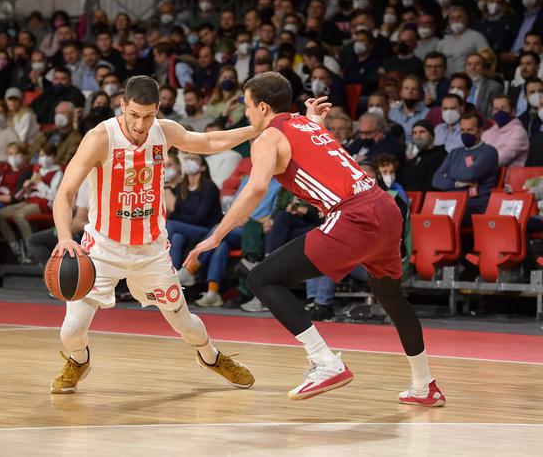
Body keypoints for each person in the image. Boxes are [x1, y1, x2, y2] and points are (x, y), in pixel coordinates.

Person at [184, 72, 445, 406]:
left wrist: (215, 236)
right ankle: (424, 385)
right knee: (390, 297)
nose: (245, 113)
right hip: (385, 207)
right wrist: (312, 120)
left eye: (247, 106)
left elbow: (257, 188)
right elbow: (307, 147)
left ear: (263, 107)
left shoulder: (268, 137)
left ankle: (324, 361)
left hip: (353, 215)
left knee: (263, 278)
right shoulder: (303, 124)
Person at [49, 75, 256, 394]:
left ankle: (211, 357)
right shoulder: (99, 138)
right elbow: (64, 193)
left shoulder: (165, 131)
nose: (141, 124)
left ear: (158, 109)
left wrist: (257, 129)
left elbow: (208, 143)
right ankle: (79, 360)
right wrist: (65, 237)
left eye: (148, 115)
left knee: (187, 325)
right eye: (134, 115)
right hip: (102, 249)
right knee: (72, 330)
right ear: (122, 106)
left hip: (151, 251)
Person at [432, 112, 499, 222]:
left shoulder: (489, 152)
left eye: (470, 130)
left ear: (481, 131)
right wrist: (456, 183)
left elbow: (470, 174)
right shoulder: (454, 153)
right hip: (451, 203)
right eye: (462, 130)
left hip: (475, 204)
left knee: (443, 219)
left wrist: (449, 174)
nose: (465, 134)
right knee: (424, 217)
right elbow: (436, 179)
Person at [165, 154, 222, 270]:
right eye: (187, 159)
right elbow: (178, 210)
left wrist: (173, 217)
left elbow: (200, 218)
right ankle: (173, 275)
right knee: (176, 237)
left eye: (193, 159)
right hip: (189, 229)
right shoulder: (182, 187)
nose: (189, 161)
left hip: (207, 230)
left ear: (203, 167)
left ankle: (161, 267)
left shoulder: (209, 187)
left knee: (171, 225)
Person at [482, 95, 529, 167]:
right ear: (492, 112)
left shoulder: (519, 133)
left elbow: (501, 159)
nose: (499, 111)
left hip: (511, 176)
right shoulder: (489, 132)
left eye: (503, 108)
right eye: (496, 109)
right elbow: (475, 152)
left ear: (513, 111)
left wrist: (478, 162)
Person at [401, 120, 447, 192]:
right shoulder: (413, 159)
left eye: (422, 132)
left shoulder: (440, 156)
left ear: (432, 136)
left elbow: (432, 185)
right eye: (414, 133)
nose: (418, 136)